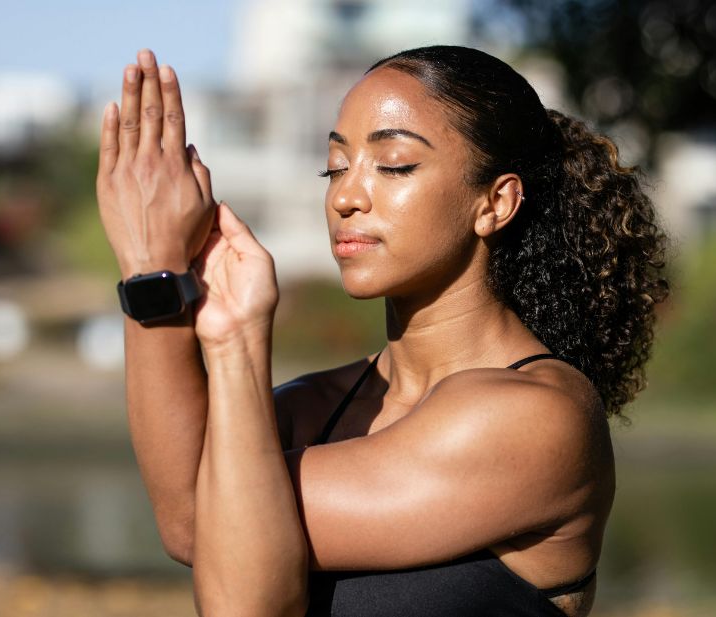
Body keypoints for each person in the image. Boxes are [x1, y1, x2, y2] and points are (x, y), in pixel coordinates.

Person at [96, 45, 668, 617]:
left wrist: (235, 342)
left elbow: (239, 587)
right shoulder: (318, 405)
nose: (345, 196)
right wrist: (150, 268)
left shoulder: (534, 416)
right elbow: (189, 520)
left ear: (495, 202)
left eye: (393, 163)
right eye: (335, 167)